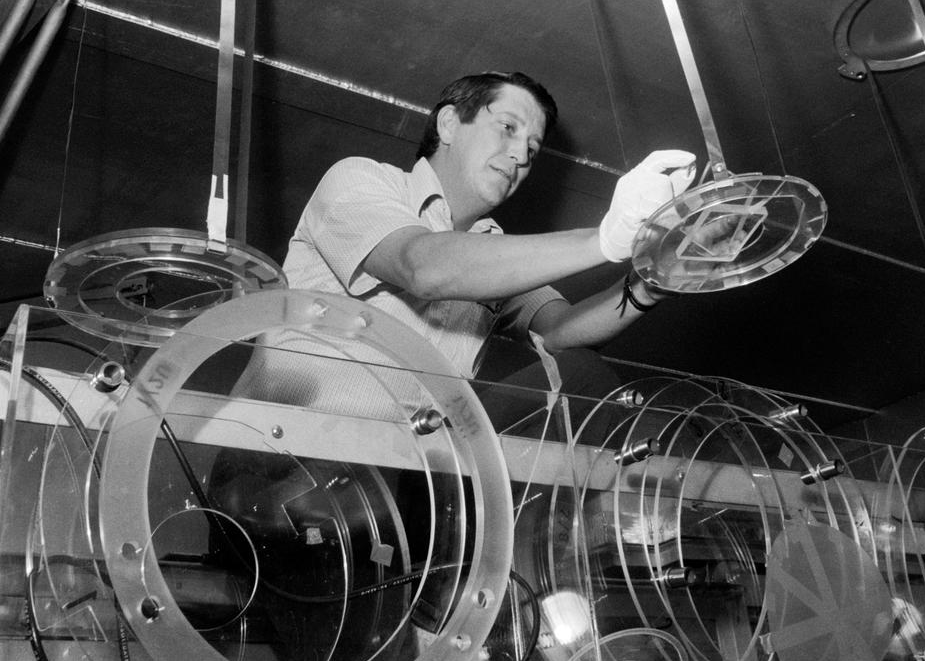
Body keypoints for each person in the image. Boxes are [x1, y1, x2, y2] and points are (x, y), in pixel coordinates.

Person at [281, 70, 696, 433]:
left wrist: (650, 282)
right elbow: (423, 267)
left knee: (581, 378)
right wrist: (607, 238)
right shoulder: (361, 180)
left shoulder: (493, 252)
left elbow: (560, 332)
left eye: (532, 150)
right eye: (508, 128)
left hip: (413, 477)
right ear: (448, 124)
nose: (520, 155)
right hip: (278, 452)